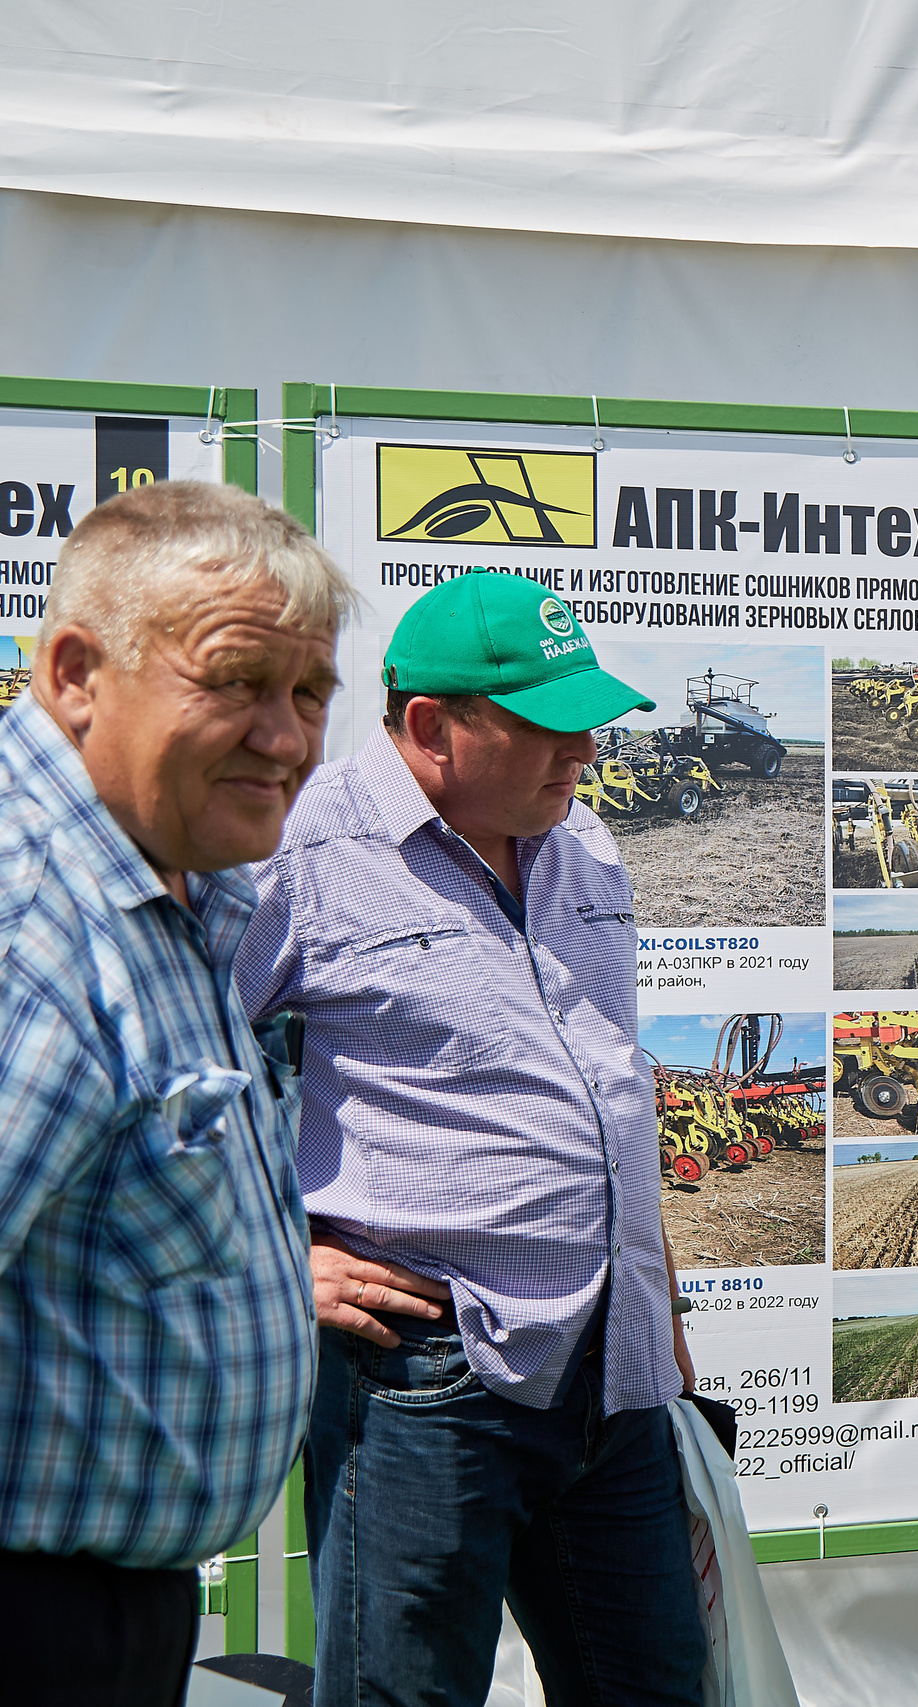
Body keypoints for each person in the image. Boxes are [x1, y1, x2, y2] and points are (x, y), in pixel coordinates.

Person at [235, 572, 706, 1707]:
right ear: (431, 726)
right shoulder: (298, 851)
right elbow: (173, 1072)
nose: (583, 750)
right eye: (547, 726)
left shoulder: (583, 840)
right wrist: (274, 1253)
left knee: (657, 1689)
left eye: (587, 721)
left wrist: (659, 1299)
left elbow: (608, 1086)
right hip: (426, 1379)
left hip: (615, 1374)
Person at [0, 482, 350, 1706]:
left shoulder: (180, 883)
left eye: (309, 694)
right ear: (76, 674)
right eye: (237, 682)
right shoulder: (29, 923)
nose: (287, 740)